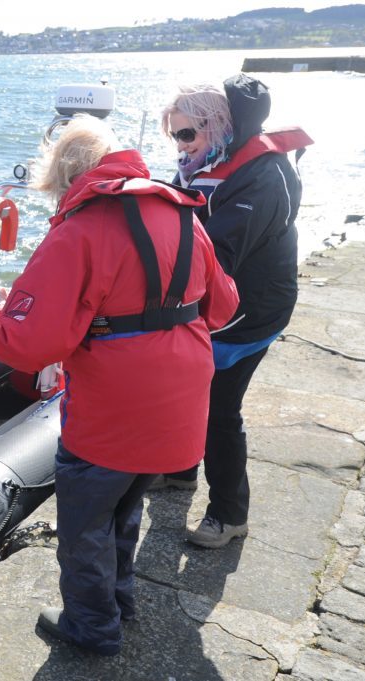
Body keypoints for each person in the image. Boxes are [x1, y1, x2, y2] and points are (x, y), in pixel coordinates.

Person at [0, 114, 239, 655]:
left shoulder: (81, 229)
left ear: (70, 177)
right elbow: (225, 304)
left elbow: (31, 342)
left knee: (84, 525)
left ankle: (92, 627)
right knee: (127, 504)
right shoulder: (183, 213)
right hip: (181, 400)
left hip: (115, 408)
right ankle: (119, 601)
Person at [150, 74, 313, 550]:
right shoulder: (211, 163)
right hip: (223, 305)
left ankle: (229, 513)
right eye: (174, 134)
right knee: (188, 394)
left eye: (186, 134)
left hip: (251, 313)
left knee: (219, 408)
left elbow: (218, 253)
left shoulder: (262, 176)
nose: (180, 145)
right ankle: (181, 472)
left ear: (218, 127)